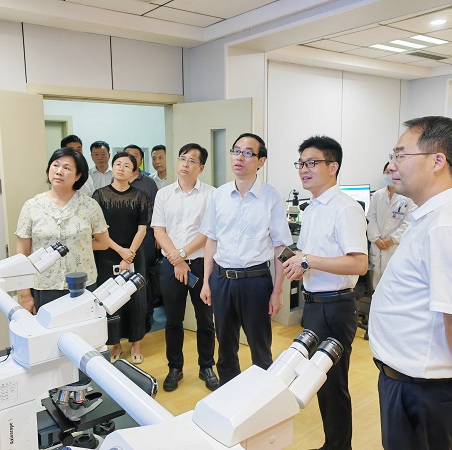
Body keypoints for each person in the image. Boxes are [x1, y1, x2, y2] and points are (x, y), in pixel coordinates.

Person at [369, 116, 452, 450]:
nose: (392, 164)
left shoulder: (447, 226)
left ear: (437, 160)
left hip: (422, 391)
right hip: (416, 382)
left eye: (401, 154)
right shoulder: (436, 216)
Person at [282, 135, 368, 450]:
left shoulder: (345, 208)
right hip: (315, 305)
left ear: (333, 167)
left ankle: (339, 446)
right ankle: (332, 443)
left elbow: (359, 264)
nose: (304, 169)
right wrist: (298, 262)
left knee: (333, 385)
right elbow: (314, 255)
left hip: (336, 307)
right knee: (318, 380)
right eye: (300, 163)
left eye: (312, 163)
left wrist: (308, 260)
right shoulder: (312, 208)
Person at [199, 133, 292, 385]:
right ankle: (230, 395)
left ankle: (262, 398)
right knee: (225, 346)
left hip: (255, 281)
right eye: (236, 151)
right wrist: (207, 282)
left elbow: (280, 247)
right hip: (222, 279)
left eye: (248, 153)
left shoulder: (272, 197)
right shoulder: (219, 195)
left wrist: (277, 291)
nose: (239, 157)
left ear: (261, 161)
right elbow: (211, 241)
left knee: (260, 347)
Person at [151, 143, 218, 392]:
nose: (185, 164)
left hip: (201, 265)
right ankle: (175, 368)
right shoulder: (164, 194)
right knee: (173, 320)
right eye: (182, 159)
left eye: (192, 161)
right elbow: (159, 230)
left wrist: (182, 255)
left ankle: (206, 366)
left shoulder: (211, 195)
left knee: (205, 320)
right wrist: (177, 260)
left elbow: (208, 232)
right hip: (171, 266)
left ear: (201, 167)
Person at [15, 148, 111, 312]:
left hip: (83, 285)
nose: (59, 171)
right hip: (45, 286)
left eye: (67, 168)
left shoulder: (90, 206)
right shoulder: (32, 206)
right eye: (55, 165)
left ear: (78, 175)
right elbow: (22, 253)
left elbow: (103, 242)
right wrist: (24, 294)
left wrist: (74, 245)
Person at [92, 152, 149, 364]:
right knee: (111, 299)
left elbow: (142, 229)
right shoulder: (99, 195)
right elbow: (98, 230)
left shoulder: (140, 196)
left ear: (133, 171)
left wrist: (129, 254)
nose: (121, 168)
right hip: (107, 253)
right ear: (113, 167)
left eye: (127, 165)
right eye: (118, 164)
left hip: (134, 253)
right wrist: (120, 251)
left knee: (136, 300)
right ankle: (115, 344)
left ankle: (136, 343)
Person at [124, 144, 159, 331]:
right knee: (126, 275)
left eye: (135, 155)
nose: (131, 158)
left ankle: (147, 315)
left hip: (146, 235)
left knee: (145, 275)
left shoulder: (148, 183)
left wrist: (157, 233)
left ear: (140, 159)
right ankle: (129, 318)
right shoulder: (118, 180)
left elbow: (157, 210)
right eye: (127, 155)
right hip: (124, 238)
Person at [366, 162, 416, 288]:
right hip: (377, 245)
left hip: (395, 246)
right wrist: (376, 238)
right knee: (375, 283)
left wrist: (392, 239)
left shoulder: (409, 197)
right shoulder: (377, 195)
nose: (390, 175)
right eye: (387, 172)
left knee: (392, 283)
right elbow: (371, 217)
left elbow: (409, 222)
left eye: (393, 172)